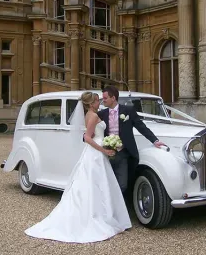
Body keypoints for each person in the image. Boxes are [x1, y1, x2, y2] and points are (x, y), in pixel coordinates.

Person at [24, 92, 132, 243]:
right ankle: (99, 217)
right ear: (90, 103)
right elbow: (88, 137)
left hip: (95, 153)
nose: (99, 103)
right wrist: (104, 149)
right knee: (96, 184)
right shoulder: (93, 116)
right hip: (96, 154)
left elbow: (93, 134)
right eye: (96, 101)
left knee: (98, 184)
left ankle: (105, 214)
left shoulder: (90, 114)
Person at [98, 85, 165, 196]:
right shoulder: (101, 114)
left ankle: (118, 204)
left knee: (123, 184)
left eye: (105, 98)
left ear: (113, 98)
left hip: (123, 152)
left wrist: (155, 140)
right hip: (106, 152)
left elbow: (141, 127)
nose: (103, 100)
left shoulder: (128, 111)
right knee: (107, 182)